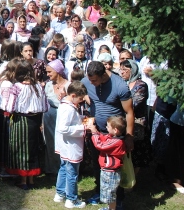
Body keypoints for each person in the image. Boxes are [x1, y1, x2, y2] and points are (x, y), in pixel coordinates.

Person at [82, 61, 134, 208]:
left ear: (103, 74)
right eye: (89, 80)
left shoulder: (119, 85)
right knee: (98, 165)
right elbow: (81, 89)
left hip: (115, 135)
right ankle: (100, 192)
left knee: (115, 168)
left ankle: (118, 199)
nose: (91, 83)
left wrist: (129, 136)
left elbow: (129, 112)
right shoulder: (88, 80)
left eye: (94, 81)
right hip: (97, 132)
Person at [1, 60, 49, 189]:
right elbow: (45, 106)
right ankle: (31, 180)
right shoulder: (38, 86)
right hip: (35, 121)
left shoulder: (16, 87)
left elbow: (9, 107)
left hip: (20, 120)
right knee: (32, 149)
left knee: (21, 149)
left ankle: (23, 180)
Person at [54, 81, 89, 209]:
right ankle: (71, 199)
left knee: (64, 168)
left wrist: (81, 117)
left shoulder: (67, 105)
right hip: (70, 145)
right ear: (73, 95)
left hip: (65, 145)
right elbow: (64, 128)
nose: (80, 101)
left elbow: (71, 120)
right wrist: (83, 128)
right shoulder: (67, 108)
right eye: (80, 99)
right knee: (72, 172)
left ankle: (60, 193)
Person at [88, 116, 127, 210]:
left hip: (111, 172)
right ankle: (110, 208)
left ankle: (112, 209)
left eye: (108, 127)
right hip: (106, 170)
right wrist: (96, 132)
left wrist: (94, 133)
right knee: (107, 192)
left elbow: (100, 145)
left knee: (110, 193)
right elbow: (103, 138)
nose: (106, 128)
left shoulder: (118, 142)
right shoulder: (111, 137)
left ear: (115, 130)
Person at [43, 59, 70, 175]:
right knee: (50, 142)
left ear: (58, 71)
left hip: (63, 116)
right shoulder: (49, 85)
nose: (48, 74)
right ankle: (52, 169)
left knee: (63, 142)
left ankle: (64, 168)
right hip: (49, 116)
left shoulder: (68, 85)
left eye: (50, 72)